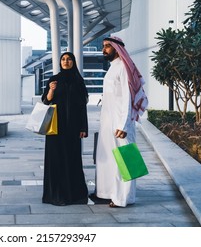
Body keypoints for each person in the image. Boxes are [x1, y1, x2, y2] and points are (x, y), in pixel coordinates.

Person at [91, 36, 148, 208]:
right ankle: (112, 193)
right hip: (109, 123)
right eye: (103, 46)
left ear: (117, 48)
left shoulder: (123, 68)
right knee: (113, 160)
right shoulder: (112, 69)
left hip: (121, 123)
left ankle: (124, 198)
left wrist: (123, 125)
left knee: (127, 158)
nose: (104, 49)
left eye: (108, 46)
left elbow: (127, 99)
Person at [41, 52, 89, 206]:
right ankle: (55, 195)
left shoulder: (79, 81)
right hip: (56, 127)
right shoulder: (54, 79)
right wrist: (51, 90)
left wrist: (83, 127)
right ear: (60, 62)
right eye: (63, 59)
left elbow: (83, 106)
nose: (66, 61)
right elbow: (45, 101)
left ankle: (74, 195)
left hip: (73, 128)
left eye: (69, 59)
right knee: (56, 160)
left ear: (73, 62)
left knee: (72, 159)